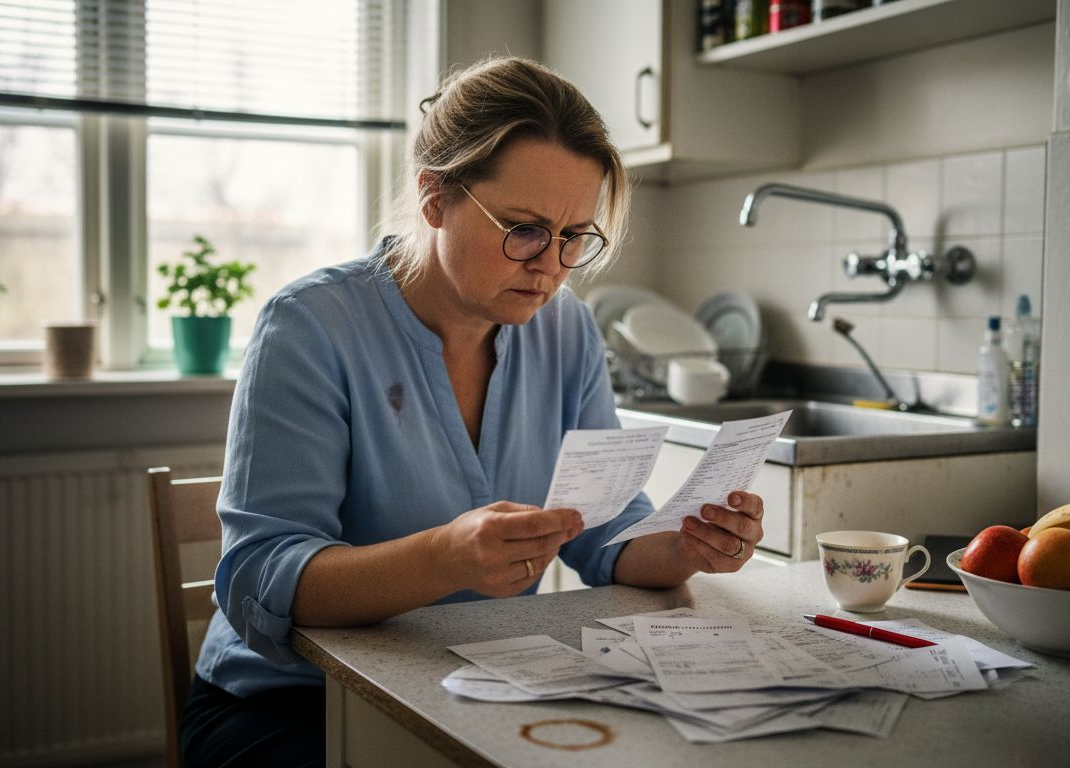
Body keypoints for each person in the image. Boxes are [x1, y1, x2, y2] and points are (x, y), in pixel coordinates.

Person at [179, 56, 767, 767]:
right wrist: (444, 556)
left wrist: (683, 546)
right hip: (288, 702)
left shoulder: (566, 329)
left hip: (474, 682)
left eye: (575, 236)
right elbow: (261, 575)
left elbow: (600, 528)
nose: (549, 264)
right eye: (523, 228)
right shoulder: (310, 327)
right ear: (434, 198)